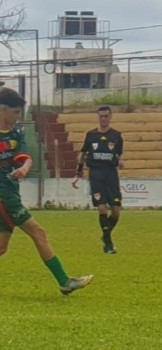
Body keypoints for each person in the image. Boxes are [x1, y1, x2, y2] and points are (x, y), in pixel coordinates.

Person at [0, 88, 93, 296]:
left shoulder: (16, 133)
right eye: (15, 113)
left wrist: (24, 167)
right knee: (39, 233)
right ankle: (64, 281)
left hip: (10, 193)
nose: (18, 117)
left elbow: (26, 157)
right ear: (3, 110)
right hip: (2, 195)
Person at [72, 105, 124, 254]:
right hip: (96, 175)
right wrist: (78, 173)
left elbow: (118, 155)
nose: (103, 119)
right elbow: (82, 155)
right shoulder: (91, 135)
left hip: (111, 175)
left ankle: (105, 236)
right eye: (101, 116)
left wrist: (120, 161)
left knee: (115, 211)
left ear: (110, 117)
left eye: (106, 116)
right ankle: (108, 244)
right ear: (98, 117)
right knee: (102, 208)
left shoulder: (116, 136)